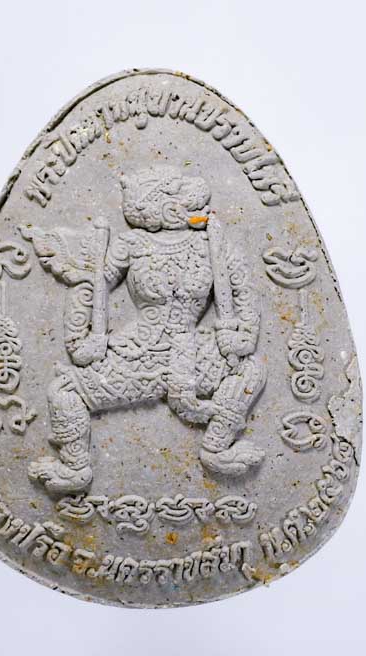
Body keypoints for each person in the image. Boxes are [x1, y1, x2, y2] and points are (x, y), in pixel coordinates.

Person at [22, 166, 266, 493]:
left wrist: (241, 338)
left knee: (252, 369)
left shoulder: (212, 244)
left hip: (196, 354)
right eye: (179, 193)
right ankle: (75, 468)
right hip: (139, 355)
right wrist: (81, 340)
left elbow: (244, 295)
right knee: (64, 391)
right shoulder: (132, 244)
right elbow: (93, 287)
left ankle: (216, 447)